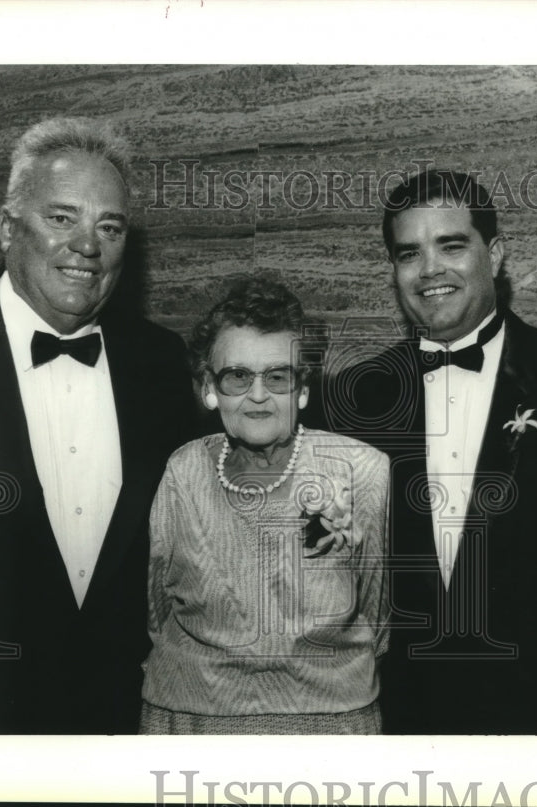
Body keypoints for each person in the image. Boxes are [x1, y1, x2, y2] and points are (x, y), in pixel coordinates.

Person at [0, 117, 200, 734]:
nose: (87, 246)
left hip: (115, 729)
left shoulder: (163, 364)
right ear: (8, 227)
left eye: (109, 227)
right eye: (62, 218)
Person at [328, 169, 537, 733]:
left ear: (495, 255)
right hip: (401, 725)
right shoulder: (352, 403)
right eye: (408, 253)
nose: (430, 270)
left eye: (452, 245)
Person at [139, 279, 389, 734]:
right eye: (237, 376)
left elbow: (377, 610)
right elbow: (158, 606)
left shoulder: (361, 469)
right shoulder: (183, 469)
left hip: (330, 724)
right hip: (191, 719)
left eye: (278, 376)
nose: (258, 395)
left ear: (302, 390)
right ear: (209, 389)